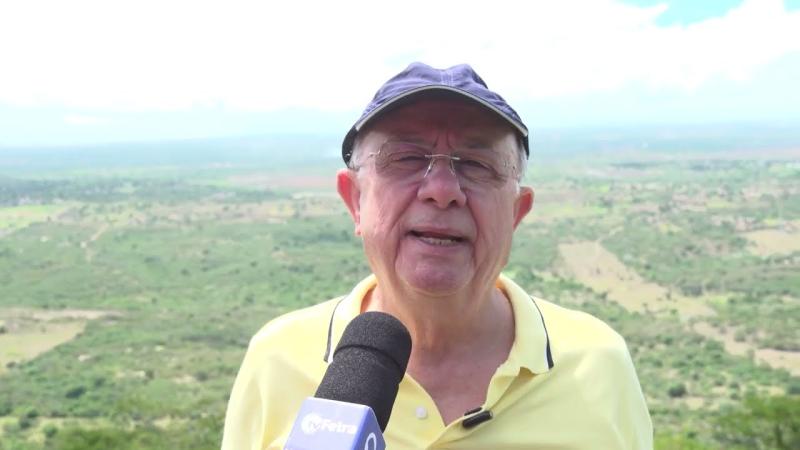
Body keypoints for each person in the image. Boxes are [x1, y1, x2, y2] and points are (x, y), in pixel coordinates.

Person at [222, 62, 653, 449]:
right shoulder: (276, 359)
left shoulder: (597, 366)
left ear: (516, 213)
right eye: (406, 158)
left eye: (476, 165)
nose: (442, 191)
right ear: (355, 200)